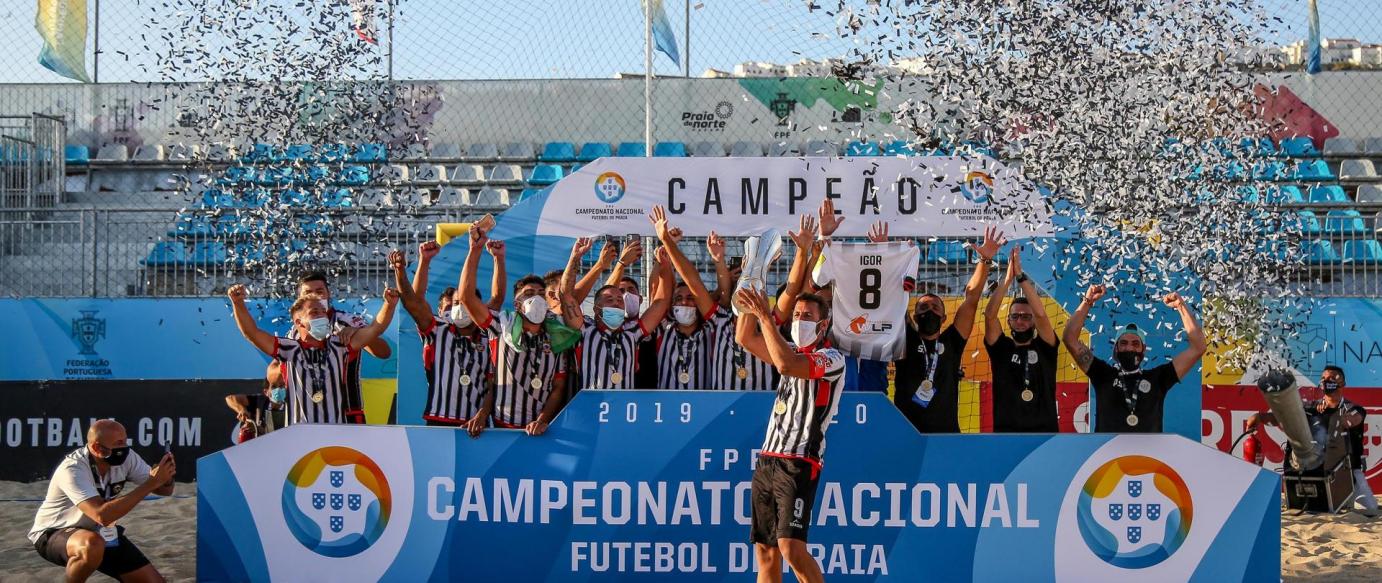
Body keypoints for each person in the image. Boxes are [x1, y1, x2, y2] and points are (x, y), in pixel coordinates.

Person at [734, 287, 845, 583]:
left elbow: (786, 365)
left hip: (800, 460)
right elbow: (744, 338)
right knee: (766, 552)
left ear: (823, 325)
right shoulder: (791, 350)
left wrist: (764, 316)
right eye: (796, 315)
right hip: (769, 458)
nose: (799, 321)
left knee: (791, 548)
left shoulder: (831, 358)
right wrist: (751, 281)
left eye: (807, 316)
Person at [458, 227, 579, 435]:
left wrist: (542, 420)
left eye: (541, 294)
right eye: (529, 294)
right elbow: (467, 298)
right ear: (517, 304)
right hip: (500, 427)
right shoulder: (501, 324)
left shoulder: (557, 333)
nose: (537, 298)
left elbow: (558, 387)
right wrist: (474, 250)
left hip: (541, 431)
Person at [228, 282, 398, 425]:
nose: (322, 316)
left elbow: (375, 329)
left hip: (337, 431)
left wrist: (389, 305)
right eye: (314, 313)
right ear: (298, 321)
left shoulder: (340, 344)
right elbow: (251, 333)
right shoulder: (288, 348)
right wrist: (238, 304)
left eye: (323, 312)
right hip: (299, 434)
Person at [28, 419, 176, 583]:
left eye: (125, 441)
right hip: (55, 531)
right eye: (119, 443)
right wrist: (151, 483)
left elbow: (165, 490)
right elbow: (102, 515)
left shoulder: (127, 458)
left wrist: (166, 476)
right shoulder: (73, 469)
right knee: (91, 545)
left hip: (101, 532)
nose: (124, 448)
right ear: (97, 448)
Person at [893, 226, 1006, 433]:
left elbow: (971, 300)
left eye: (935, 308)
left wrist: (985, 260)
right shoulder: (906, 337)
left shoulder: (951, 342)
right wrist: (886, 253)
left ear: (944, 318)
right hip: (905, 434)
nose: (929, 311)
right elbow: (895, 299)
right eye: (923, 308)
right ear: (915, 316)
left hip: (946, 435)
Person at [1062, 286, 1206, 433]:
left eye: (1135, 343)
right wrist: (1087, 302)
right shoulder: (1102, 374)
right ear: (1116, 348)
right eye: (1123, 343)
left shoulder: (1159, 378)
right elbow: (1070, 339)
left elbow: (1198, 347)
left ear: (1143, 349)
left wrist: (1181, 306)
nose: (1129, 348)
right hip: (1109, 454)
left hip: (1148, 455)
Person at [392, 247, 498, 435]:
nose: (459, 308)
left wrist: (483, 414)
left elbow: (493, 385)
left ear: (476, 307)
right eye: (456, 303)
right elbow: (413, 302)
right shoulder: (438, 330)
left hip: (476, 424)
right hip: (438, 420)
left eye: (465, 303)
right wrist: (400, 271)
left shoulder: (489, 337)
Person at [1250, 366, 1378, 516]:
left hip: (1349, 473)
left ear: (1343, 383)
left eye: (1332, 378)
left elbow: (1352, 419)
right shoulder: (1311, 407)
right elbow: (1282, 418)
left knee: (1370, 509)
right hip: (1313, 471)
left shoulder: (1353, 408)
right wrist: (1259, 417)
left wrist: (1336, 415)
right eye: (1323, 379)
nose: (1326, 381)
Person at [556, 235, 671, 390]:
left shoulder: (632, 332)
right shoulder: (585, 330)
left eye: (619, 300)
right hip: (590, 410)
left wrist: (664, 264)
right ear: (597, 309)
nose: (617, 302)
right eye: (609, 299)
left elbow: (660, 303)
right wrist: (574, 258)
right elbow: (566, 295)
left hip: (624, 410)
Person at [293, 271, 393, 424]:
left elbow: (384, 352)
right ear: (300, 298)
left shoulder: (347, 321)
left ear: (329, 293)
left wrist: (357, 333)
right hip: (306, 415)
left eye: (320, 291)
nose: (315, 296)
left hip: (349, 409)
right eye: (308, 292)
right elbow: (275, 370)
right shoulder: (295, 330)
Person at [983, 246, 1060, 432]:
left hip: (1044, 436)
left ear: (1033, 322)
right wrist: (1008, 279)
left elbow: (1041, 315)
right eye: (1015, 317)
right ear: (1008, 321)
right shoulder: (1001, 348)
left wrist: (1021, 278)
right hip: (1006, 435)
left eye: (1026, 317)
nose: (1020, 321)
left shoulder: (1046, 347)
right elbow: (990, 315)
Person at [649, 205, 726, 389]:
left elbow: (701, 285)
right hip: (666, 409)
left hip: (705, 410)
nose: (684, 302)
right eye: (678, 298)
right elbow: (656, 292)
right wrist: (664, 252)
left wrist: (718, 261)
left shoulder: (711, 329)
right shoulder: (663, 327)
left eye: (691, 298)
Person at [226, 362, 288, 443]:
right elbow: (230, 398)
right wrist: (242, 410)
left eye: (282, 385)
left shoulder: (291, 405)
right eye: (274, 386)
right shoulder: (259, 402)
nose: (279, 389)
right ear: (266, 392)